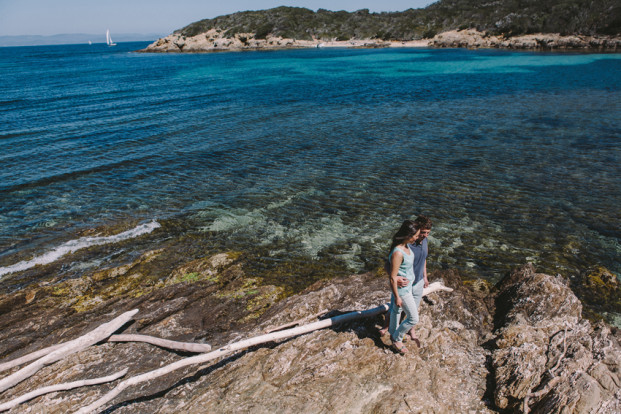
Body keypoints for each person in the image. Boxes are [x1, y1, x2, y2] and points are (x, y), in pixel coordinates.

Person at [380, 215, 432, 345]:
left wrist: (425, 277)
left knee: (412, 309)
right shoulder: (407, 244)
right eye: (423, 232)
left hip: (418, 281)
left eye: (427, 233)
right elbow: (389, 264)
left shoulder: (424, 241)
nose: (425, 235)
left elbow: (424, 259)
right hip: (405, 285)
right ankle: (390, 330)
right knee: (396, 309)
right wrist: (395, 277)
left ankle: (410, 332)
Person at [387, 220, 420, 354]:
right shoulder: (398, 252)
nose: (417, 238)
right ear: (408, 235)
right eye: (415, 235)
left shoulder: (406, 246)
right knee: (413, 318)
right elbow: (392, 277)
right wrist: (397, 296)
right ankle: (397, 338)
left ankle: (393, 333)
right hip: (402, 291)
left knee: (396, 312)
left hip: (407, 288)